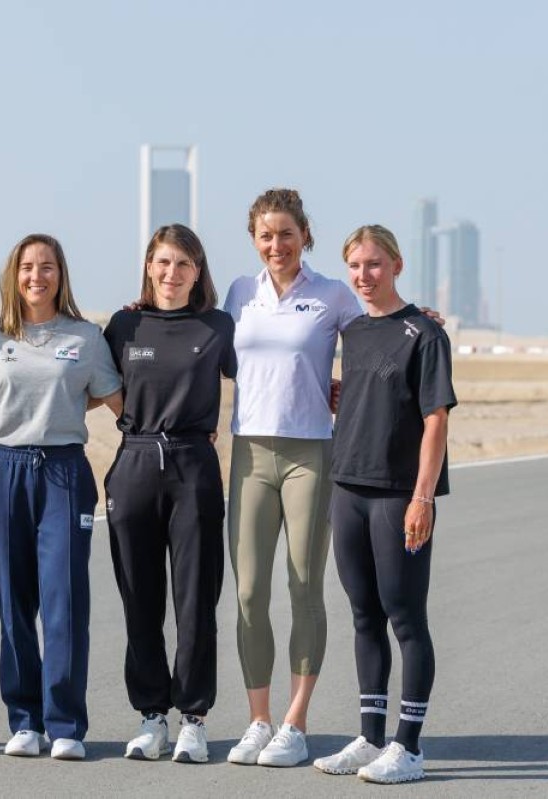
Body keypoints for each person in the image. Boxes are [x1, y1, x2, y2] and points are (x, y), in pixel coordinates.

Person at [0, 233, 123, 762]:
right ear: (14, 274)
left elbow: (115, 398)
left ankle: (66, 724)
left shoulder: (86, 337)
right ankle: (25, 720)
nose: (37, 276)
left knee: (64, 600)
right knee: (14, 601)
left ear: (60, 274)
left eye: (47, 266)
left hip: (63, 472)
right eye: (28, 267)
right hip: (3, 468)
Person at [222, 189, 364, 767]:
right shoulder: (239, 292)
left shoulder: (332, 295)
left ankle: (295, 724)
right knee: (249, 592)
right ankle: (258, 720)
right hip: (249, 453)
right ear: (253, 239)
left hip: (311, 453)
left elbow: (376, 340)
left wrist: (418, 320)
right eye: (266, 235)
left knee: (304, 586)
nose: (276, 244)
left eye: (286, 233)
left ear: (305, 234)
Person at [312, 225, 455, 784]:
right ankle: (371, 738)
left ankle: (408, 747)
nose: (363, 275)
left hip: (398, 494)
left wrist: (423, 497)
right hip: (348, 487)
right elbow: (368, 394)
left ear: (397, 264)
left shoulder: (425, 334)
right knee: (363, 615)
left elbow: (435, 420)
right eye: (354, 266)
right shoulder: (354, 330)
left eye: (373, 264)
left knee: (405, 618)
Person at [102, 224, 236, 764]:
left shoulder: (218, 325)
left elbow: (272, 364)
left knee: (196, 601)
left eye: (183, 263)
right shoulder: (124, 324)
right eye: (162, 262)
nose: (171, 273)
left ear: (198, 271)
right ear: (148, 267)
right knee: (140, 599)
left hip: (193, 469)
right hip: (134, 464)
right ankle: (151, 716)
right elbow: (92, 381)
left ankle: (193, 719)